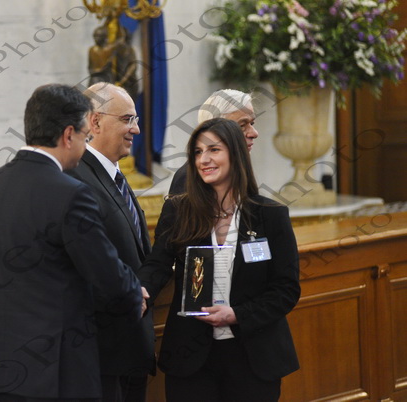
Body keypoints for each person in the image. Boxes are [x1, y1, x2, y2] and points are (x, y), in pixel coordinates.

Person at [0, 84, 145, 402]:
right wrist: (134, 294)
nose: (85, 145)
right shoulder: (71, 194)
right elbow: (105, 271)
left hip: (7, 369)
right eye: (85, 136)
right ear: (68, 135)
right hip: (63, 370)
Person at [139, 118, 300, 401]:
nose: (204, 159)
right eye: (198, 152)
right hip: (190, 357)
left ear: (235, 154)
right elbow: (158, 264)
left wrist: (237, 314)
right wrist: (140, 291)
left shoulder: (269, 215)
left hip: (253, 358)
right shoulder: (179, 210)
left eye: (214, 149)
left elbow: (285, 289)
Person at [67, 82, 154, 402]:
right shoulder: (76, 179)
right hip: (102, 354)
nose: (137, 129)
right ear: (95, 122)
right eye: (128, 119)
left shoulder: (114, 176)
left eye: (136, 119)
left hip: (131, 348)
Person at [168, 89, 259, 195]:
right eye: (242, 126)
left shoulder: (236, 168)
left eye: (252, 123)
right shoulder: (189, 179)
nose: (254, 133)